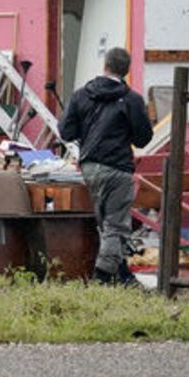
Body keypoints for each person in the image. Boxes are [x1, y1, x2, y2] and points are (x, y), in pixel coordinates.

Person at [59, 46, 151, 286]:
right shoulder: (132, 99)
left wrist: (87, 133)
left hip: (89, 168)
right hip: (118, 169)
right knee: (116, 227)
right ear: (126, 70)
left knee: (104, 225)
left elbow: (66, 132)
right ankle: (101, 280)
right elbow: (143, 138)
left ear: (105, 65)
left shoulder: (81, 95)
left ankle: (123, 277)